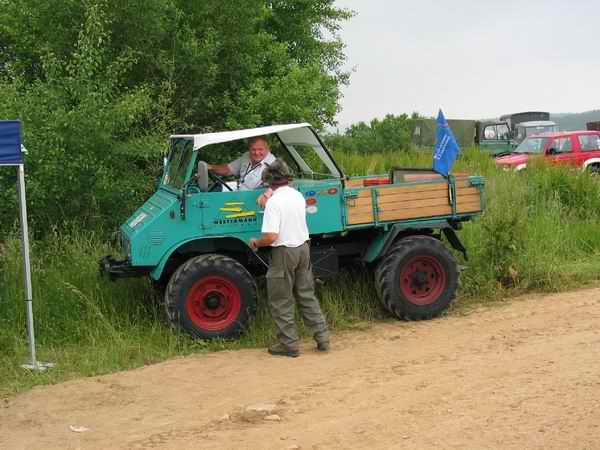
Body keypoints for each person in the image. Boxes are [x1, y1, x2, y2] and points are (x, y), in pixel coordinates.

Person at [249, 159, 330, 357]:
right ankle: (322, 337)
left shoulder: (274, 203)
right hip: (303, 249)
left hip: (284, 252)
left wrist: (256, 242)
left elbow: (271, 237)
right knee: (306, 294)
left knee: (281, 300)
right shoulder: (297, 195)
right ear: (287, 178)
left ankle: (289, 344)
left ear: (269, 182)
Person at [208, 136, 276, 191]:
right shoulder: (246, 156)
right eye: (253, 149)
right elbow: (228, 169)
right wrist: (210, 167)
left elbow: (271, 188)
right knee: (216, 189)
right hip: (238, 190)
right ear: (249, 149)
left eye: (260, 149)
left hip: (252, 197)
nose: (256, 153)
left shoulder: (272, 164)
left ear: (267, 149)